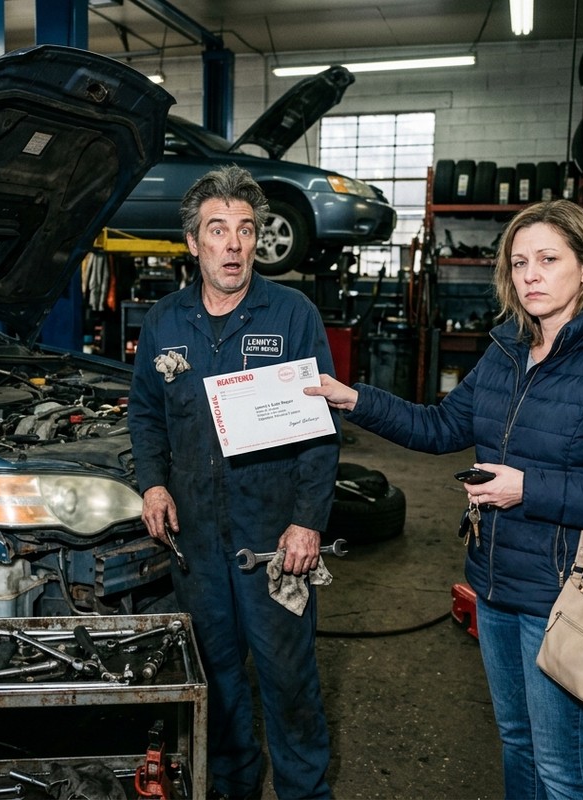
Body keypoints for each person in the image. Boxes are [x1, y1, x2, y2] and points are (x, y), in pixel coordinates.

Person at [306, 199, 583, 799]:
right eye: (519, 261)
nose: (530, 273)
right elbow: (440, 428)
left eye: (548, 259)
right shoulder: (506, 351)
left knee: (562, 766)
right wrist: (354, 400)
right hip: (496, 581)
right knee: (515, 740)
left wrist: (525, 489)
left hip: (566, 594)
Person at [128, 165, 338, 799]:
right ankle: (232, 786)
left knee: (287, 678)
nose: (235, 244)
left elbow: (321, 428)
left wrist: (308, 520)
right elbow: (145, 413)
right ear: (193, 243)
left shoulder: (292, 314)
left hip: (273, 539)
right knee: (215, 678)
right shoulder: (164, 321)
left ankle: (305, 793)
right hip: (196, 540)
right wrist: (154, 484)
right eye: (218, 230)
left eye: (247, 230)